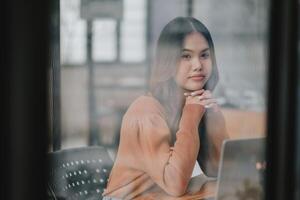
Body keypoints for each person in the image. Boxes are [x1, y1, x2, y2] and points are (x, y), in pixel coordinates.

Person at [102, 16, 229, 200]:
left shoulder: (190, 103)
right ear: (168, 61)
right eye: (186, 56)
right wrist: (192, 115)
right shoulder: (145, 112)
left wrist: (212, 114)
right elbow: (175, 184)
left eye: (204, 55)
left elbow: (219, 169)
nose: (198, 65)